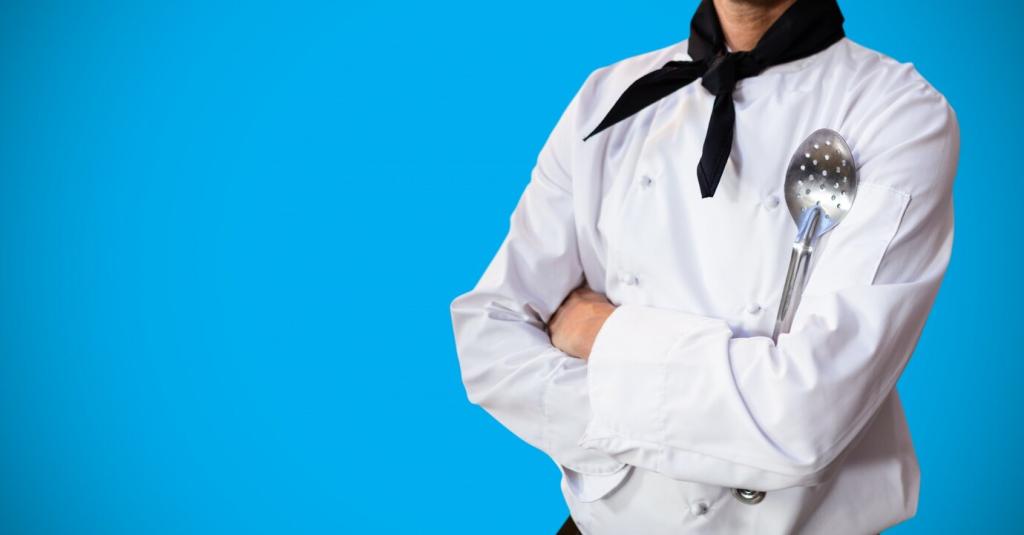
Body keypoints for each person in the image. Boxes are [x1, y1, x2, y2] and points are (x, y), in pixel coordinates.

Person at [449, 0, 959, 532]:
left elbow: (805, 423)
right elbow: (490, 340)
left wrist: (602, 337)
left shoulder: (899, 113)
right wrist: (720, 434)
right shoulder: (607, 96)